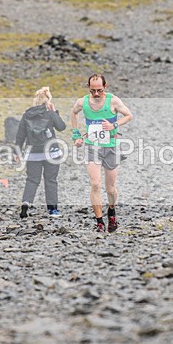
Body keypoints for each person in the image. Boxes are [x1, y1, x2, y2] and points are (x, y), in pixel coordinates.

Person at [70, 74, 133, 233]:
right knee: (95, 184)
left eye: (99, 90)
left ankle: (111, 210)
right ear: (88, 88)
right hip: (92, 147)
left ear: (105, 86)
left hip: (111, 147)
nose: (96, 94)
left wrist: (114, 125)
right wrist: (76, 135)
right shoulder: (82, 102)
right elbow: (73, 113)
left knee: (110, 188)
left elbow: (129, 115)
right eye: (92, 91)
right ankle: (99, 222)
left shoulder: (113, 100)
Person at [15, 86, 66, 218]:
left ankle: (26, 202)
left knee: (32, 180)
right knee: (51, 180)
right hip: (52, 153)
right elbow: (61, 127)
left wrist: (17, 152)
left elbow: (20, 135)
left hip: (32, 153)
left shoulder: (26, 115)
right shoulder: (49, 113)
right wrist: (55, 112)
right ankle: (52, 210)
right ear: (48, 101)